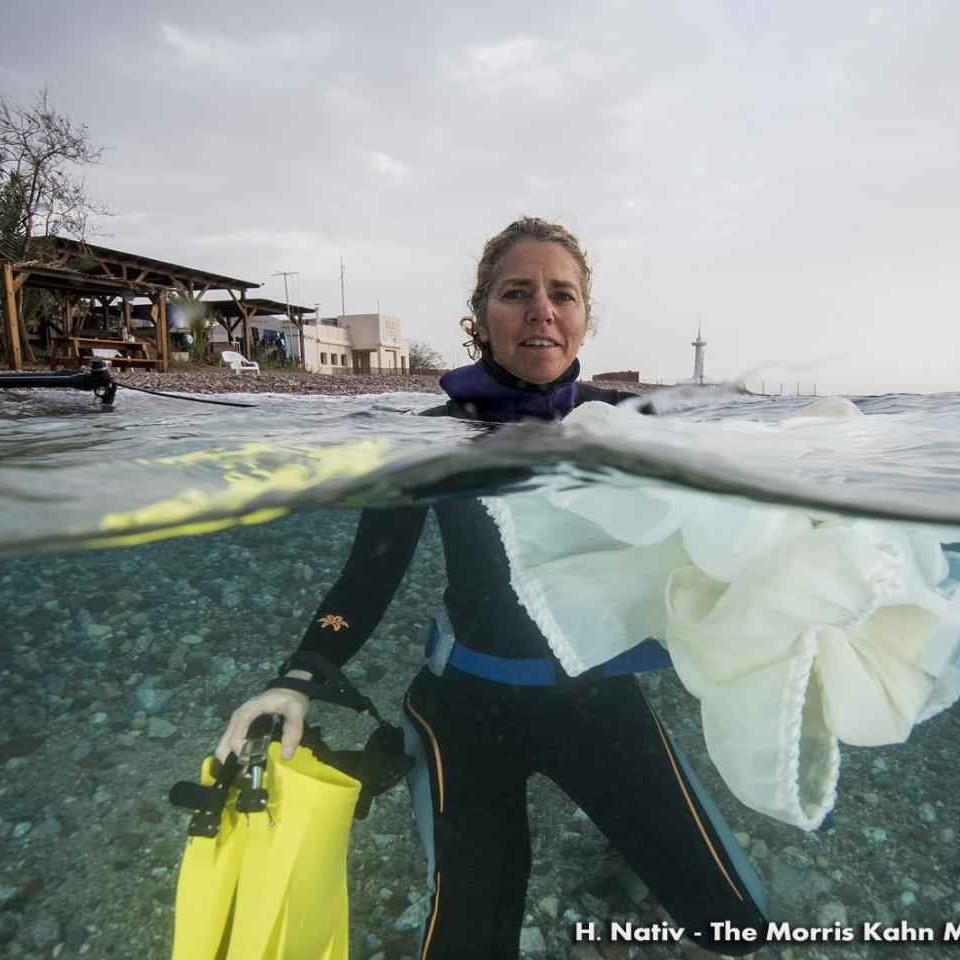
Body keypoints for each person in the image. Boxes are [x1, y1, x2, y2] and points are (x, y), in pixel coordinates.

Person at [217, 217, 770, 958]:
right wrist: (297, 677)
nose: (542, 309)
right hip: (465, 706)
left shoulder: (635, 426)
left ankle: (621, 855)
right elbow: (367, 576)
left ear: (583, 317)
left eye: (561, 294)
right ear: (481, 316)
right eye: (517, 292)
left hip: (597, 699)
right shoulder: (430, 439)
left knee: (738, 929)